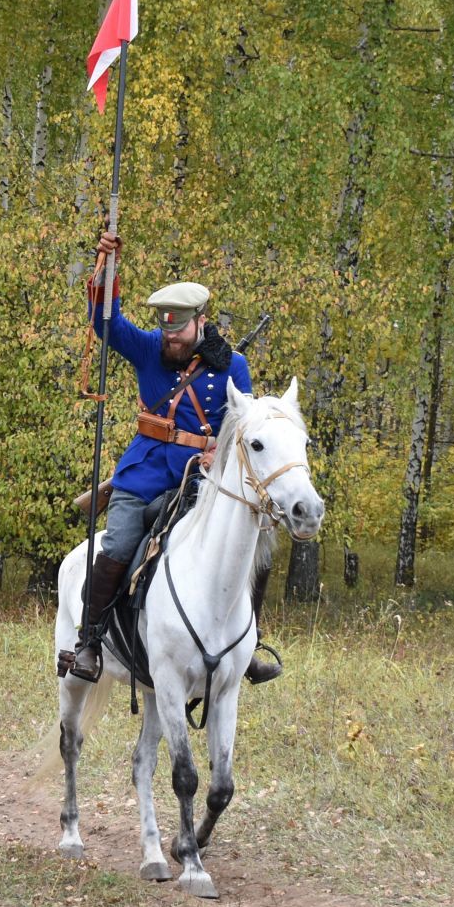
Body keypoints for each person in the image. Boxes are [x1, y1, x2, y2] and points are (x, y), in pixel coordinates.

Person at [66, 230, 280, 685]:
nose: (171, 338)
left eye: (179, 329)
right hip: (143, 474)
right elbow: (106, 324)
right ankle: (88, 642)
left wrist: (217, 453)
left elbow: (244, 427)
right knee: (120, 545)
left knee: (251, 539)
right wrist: (105, 269)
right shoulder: (149, 348)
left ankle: (249, 643)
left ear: (201, 322)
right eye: (166, 329)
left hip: (200, 479)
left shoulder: (232, 367)